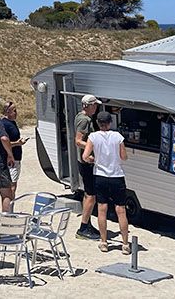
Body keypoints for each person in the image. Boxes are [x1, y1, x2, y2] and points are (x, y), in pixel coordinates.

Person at [83, 110, 131, 254]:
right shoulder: (118, 137)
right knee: (121, 210)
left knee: (102, 209)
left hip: (101, 176)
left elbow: (85, 156)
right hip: (116, 175)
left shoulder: (93, 136)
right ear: (110, 122)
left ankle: (104, 242)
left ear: (98, 123)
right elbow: (124, 157)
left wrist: (94, 159)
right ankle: (125, 244)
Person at [75, 94, 102, 240]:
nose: (96, 107)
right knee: (91, 195)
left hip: (84, 160)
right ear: (88, 105)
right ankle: (83, 227)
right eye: (94, 105)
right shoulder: (84, 120)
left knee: (88, 194)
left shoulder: (81, 117)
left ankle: (87, 223)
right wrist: (95, 145)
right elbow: (78, 141)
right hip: (86, 162)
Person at [1, 102, 29, 195]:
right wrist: (17, 143)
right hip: (11, 159)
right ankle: (9, 208)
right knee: (11, 186)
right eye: (14, 111)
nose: (16, 113)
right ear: (7, 112)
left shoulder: (12, 123)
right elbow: (3, 142)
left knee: (12, 185)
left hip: (15, 157)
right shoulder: (4, 124)